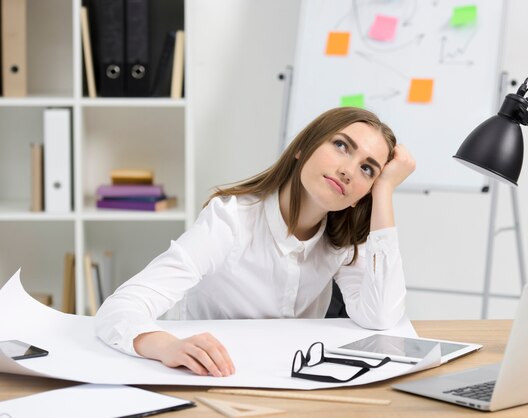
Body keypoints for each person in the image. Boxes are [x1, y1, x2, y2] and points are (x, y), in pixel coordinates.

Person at [95, 107, 416, 377]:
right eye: (341, 146)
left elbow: (381, 316)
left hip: (295, 382)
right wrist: (167, 346)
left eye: (367, 169)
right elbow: (120, 308)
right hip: (216, 378)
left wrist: (384, 190)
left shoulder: (340, 243)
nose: (348, 171)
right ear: (302, 148)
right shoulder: (230, 221)